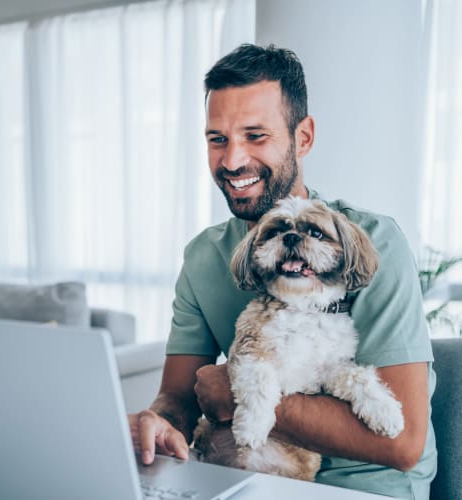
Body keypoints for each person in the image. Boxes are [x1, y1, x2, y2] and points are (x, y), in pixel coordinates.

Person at [129, 44, 437, 499]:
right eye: (218, 139)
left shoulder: (373, 241)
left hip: (362, 490)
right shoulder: (203, 256)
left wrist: (243, 396)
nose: (232, 162)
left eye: (256, 135)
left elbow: (404, 443)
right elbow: (176, 399)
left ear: (303, 137)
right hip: (240, 478)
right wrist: (157, 423)